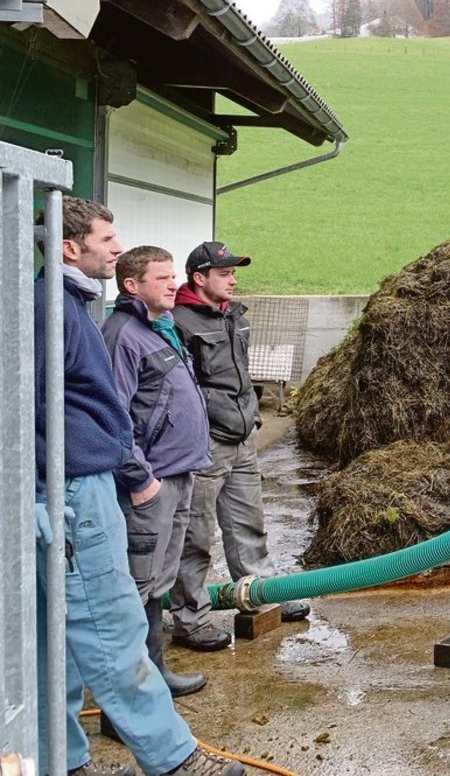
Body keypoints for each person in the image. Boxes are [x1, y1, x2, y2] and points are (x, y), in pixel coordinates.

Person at [34, 197, 243, 776]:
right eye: (107, 238)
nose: (117, 245)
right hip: (76, 491)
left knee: (55, 642)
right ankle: (173, 760)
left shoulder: (68, 307)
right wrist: (128, 473)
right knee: (113, 627)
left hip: (74, 486)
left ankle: (64, 760)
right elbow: (44, 411)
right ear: (72, 246)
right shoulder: (56, 311)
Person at [169, 242, 309, 652]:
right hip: (206, 444)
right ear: (199, 277)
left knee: (249, 524)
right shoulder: (180, 323)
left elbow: (241, 378)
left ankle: (262, 596)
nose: (233, 279)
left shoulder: (235, 317)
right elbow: (184, 390)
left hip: (242, 438)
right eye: (225, 272)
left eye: (234, 272)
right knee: (195, 535)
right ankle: (190, 619)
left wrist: (251, 418)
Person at [100, 246, 215, 706]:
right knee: (138, 584)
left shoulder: (159, 329)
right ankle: (129, 695)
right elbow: (112, 417)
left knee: (158, 582)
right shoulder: (124, 335)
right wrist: (140, 479)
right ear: (132, 285)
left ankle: (155, 673)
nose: (174, 284)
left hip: (178, 474)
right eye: (163, 277)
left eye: (173, 276)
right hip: (149, 485)